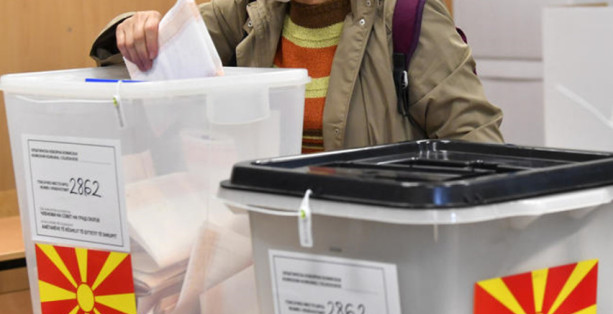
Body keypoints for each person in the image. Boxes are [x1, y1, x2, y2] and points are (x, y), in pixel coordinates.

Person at [90, 0, 504, 153]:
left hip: (376, 252)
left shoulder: (407, 18)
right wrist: (132, 30)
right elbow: (134, 69)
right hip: (267, 243)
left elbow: (480, 149)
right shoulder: (247, 12)